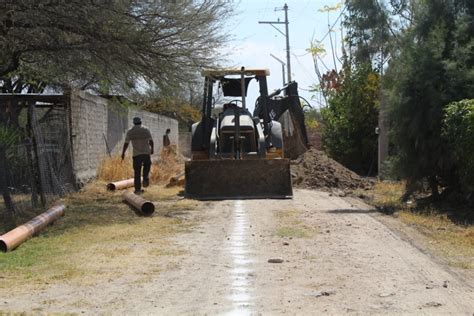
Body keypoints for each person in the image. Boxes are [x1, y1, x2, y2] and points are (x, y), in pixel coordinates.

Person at [121, 117, 154, 194]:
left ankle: (138, 189)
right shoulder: (146, 129)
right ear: (140, 122)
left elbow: (126, 143)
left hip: (136, 155)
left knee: (137, 172)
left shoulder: (130, 131)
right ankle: (145, 177)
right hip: (146, 153)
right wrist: (152, 149)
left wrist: (123, 153)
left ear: (134, 123)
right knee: (147, 165)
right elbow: (151, 141)